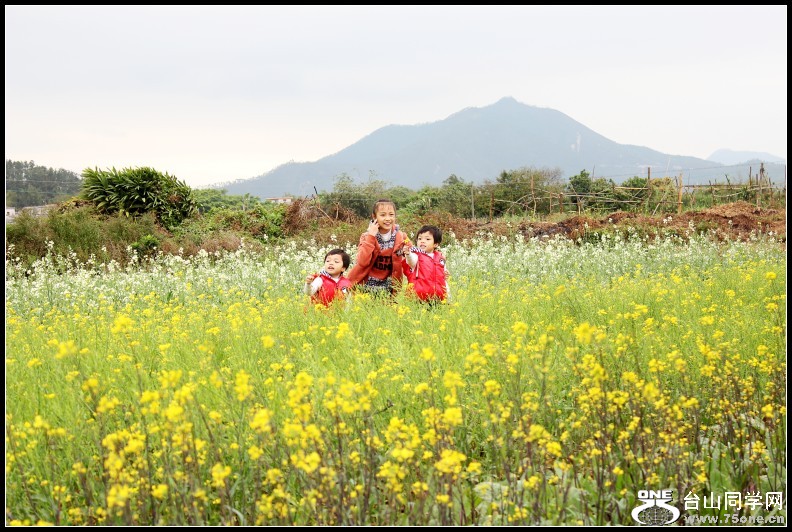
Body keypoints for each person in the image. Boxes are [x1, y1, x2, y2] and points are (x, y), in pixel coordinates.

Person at [346, 199, 409, 296]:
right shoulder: (366, 237)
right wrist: (371, 236)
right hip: (363, 287)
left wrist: (407, 252)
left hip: (388, 289)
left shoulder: (401, 237)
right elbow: (362, 262)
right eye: (383, 215)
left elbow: (413, 255)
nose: (388, 219)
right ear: (374, 217)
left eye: (391, 215)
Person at [400, 225, 450, 304]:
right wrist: (408, 254)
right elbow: (411, 261)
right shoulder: (416, 255)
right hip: (417, 299)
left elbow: (443, 279)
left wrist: (448, 296)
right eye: (420, 239)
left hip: (437, 299)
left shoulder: (440, 258)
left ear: (436, 244)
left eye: (427, 239)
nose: (422, 241)